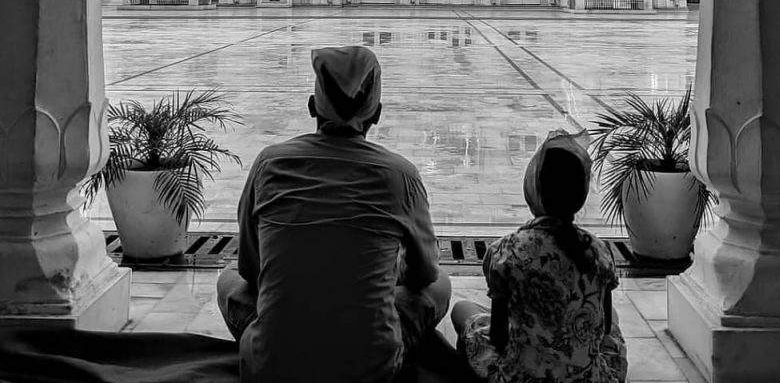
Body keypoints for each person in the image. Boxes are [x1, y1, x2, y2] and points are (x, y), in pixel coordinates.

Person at [217, 45, 451, 383]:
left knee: (229, 279)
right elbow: (425, 274)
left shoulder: (270, 163)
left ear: (312, 107)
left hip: (271, 367)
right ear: (378, 113)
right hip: (371, 369)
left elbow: (250, 271)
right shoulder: (400, 175)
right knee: (440, 285)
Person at [450, 131, 627, 383]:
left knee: (462, 311)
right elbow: (605, 328)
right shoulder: (598, 251)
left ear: (534, 189)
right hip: (587, 378)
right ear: (580, 193)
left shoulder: (506, 251)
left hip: (520, 377)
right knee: (614, 319)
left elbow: (499, 338)